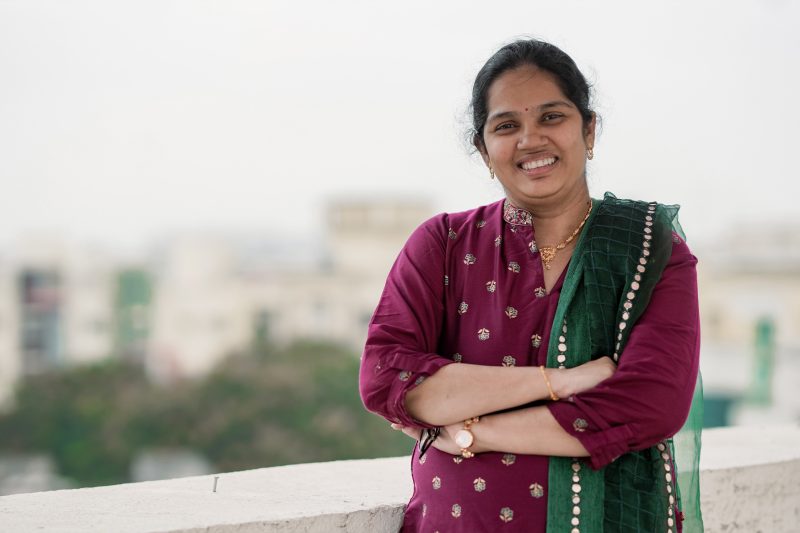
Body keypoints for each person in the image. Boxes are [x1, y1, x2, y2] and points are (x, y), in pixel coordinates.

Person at [359, 38, 702, 533]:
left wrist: (472, 432)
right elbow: (386, 379)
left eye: (551, 117)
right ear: (483, 150)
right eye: (506, 126)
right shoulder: (444, 245)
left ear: (589, 130)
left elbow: (652, 403)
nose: (530, 140)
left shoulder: (650, 252)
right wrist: (562, 381)